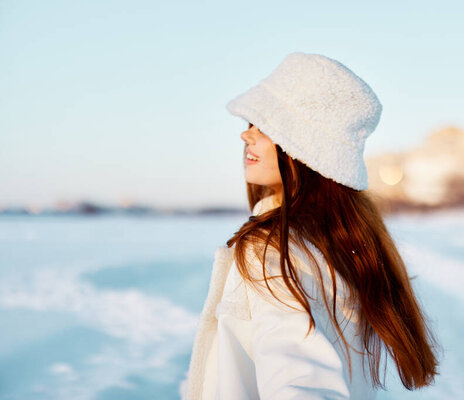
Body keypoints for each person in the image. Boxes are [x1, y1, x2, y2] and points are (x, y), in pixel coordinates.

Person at [180, 52, 440, 400]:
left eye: (266, 125)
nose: (247, 136)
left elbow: (301, 381)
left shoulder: (271, 250)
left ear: (306, 148)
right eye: (250, 122)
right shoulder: (343, 243)